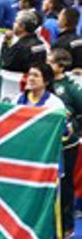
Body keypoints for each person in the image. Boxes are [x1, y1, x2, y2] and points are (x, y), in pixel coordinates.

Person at [49, 48, 82, 239]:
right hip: (46, 144)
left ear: (61, 66)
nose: (47, 63)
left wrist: (74, 127)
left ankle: (67, 224)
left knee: (65, 183)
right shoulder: (45, 82)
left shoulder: (70, 88)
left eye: (51, 61)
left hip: (67, 144)